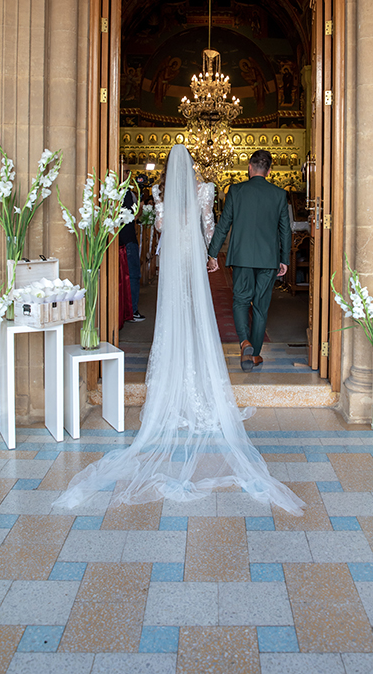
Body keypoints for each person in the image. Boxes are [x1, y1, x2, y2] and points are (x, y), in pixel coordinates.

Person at [53, 144, 304, 515]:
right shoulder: (208, 191)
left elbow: (160, 227)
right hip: (205, 254)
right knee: (213, 308)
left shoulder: (161, 193)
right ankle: (239, 350)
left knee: (178, 312)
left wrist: (171, 217)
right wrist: (211, 253)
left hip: (173, 257)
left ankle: (183, 367)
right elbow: (209, 225)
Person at [207, 149, 290, 372]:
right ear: (270, 171)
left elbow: (224, 224)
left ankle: (244, 342)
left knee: (241, 300)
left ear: (250, 168)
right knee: (261, 306)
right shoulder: (279, 194)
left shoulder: (236, 191)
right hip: (269, 259)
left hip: (242, 256)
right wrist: (285, 259)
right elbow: (285, 230)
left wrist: (212, 254)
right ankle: (254, 355)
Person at [119, 163, 145, 322]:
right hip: (127, 239)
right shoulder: (126, 193)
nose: (130, 174)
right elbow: (134, 216)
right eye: (126, 171)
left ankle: (126, 310)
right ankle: (132, 310)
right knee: (133, 275)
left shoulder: (123, 192)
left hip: (122, 239)